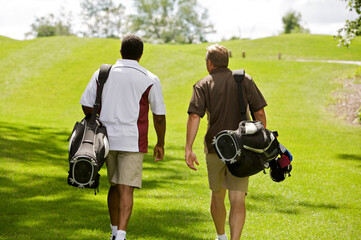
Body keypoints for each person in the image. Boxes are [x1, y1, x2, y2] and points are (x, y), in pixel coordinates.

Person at [80, 35, 166, 240]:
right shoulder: (149, 78)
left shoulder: (102, 73)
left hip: (105, 141)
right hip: (133, 141)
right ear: (141, 54)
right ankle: (121, 235)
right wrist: (160, 143)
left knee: (114, 186)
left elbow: (86, 103)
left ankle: (113, 231)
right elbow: (159, 116)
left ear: (120, 52)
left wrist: (99, 117)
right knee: (127, 188)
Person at [185, 44, 267, 240]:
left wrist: (188, 148)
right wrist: (260, 142)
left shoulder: (203, 84)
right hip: (243, 149)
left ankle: (221, 236)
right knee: (238, 198)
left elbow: (195, 117)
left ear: (209, 63)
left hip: (215, 148)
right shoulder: (244, 79)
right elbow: (260, 112)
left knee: (217, 195)